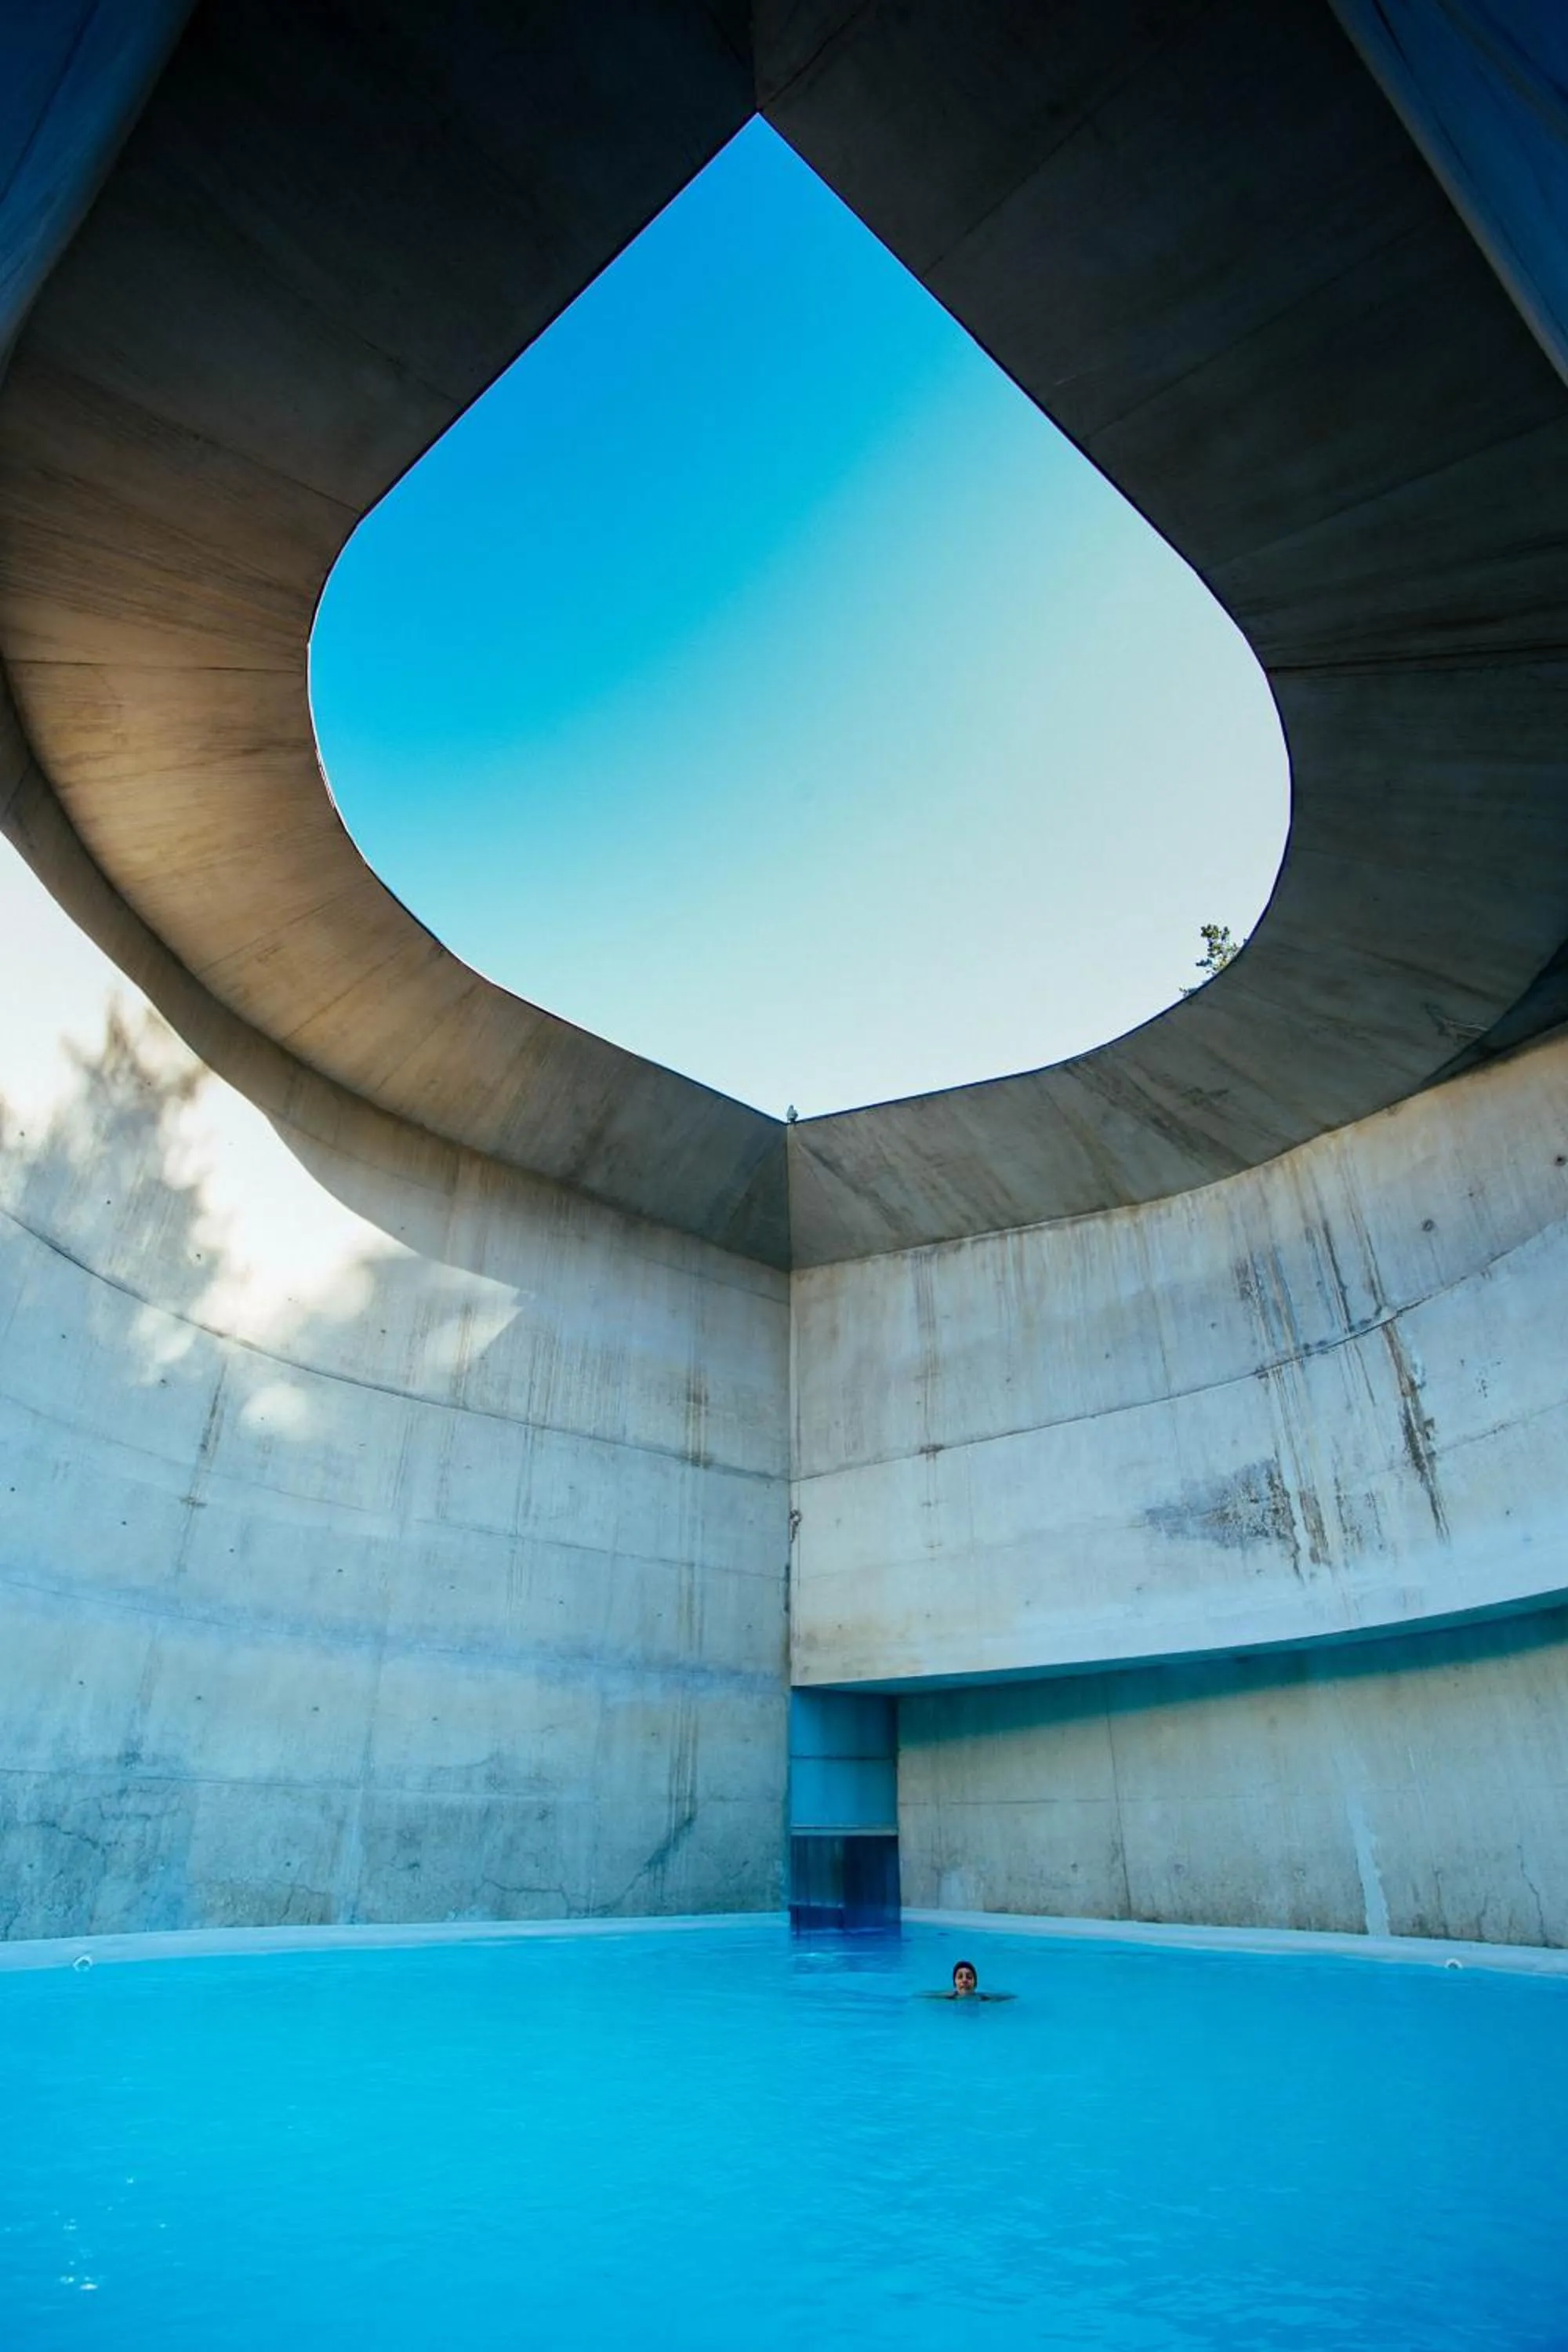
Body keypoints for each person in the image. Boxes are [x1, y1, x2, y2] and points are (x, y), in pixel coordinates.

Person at [927, 1958, 1014, 2002]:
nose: (964, 1980)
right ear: (955, 1984)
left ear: (975, 1984)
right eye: (960, 1977)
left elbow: (1006, 1997)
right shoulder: (948, 1997)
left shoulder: (983, 1998)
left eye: (969, 1977)